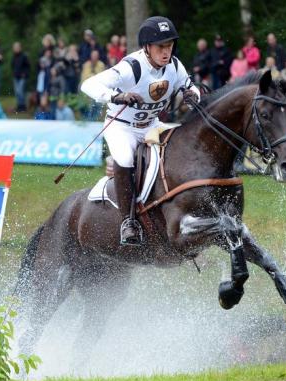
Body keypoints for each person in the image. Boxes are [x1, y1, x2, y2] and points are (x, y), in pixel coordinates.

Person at [81, 16, 200, 245]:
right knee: (125, 158)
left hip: (151, 126)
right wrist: (117, 96)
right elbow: (88, 85)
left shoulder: (174, 66)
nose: (167, 52)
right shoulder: (131, 67)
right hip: (121, 127)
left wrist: (192, 95)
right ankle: (128, 221)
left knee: (187, 140)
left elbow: (190, 86)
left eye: (170, 45)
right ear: (147, 47)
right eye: (161, 47)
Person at [11, 42, 30, 112]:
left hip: (22, 77)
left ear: (20, 48)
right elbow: (12, 66)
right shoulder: (14, 56)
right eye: (14, 47)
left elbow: (28, 66)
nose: (15, 49)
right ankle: (19, 106)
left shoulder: (24, 56)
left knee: (21, 91)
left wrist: (25, 74)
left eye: (17, 47)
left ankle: (23, 106)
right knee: (17, 92)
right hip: (15, 76)